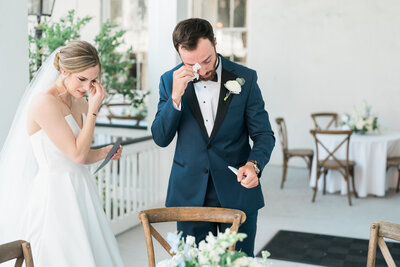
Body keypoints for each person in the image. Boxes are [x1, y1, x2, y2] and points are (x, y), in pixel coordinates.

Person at [151, 18, 275, 256]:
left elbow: (263, 134)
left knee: (239, 261)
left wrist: (253, 164)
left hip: (237, 190)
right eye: (192, 64)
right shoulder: (169, 81)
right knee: (194, 262)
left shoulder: (245, 79)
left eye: (206, 60)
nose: (203, 70)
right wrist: (175, 97)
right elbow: (160, 137)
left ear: (215, 42)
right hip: (190, 194)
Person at [0, 40, 125, 267]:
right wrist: (94, 109)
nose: (87, 88)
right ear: (63, 70)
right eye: (82, 79)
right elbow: (77, 155)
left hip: (81, 188)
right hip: (55, 194)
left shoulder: (79, 101)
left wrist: (104, 152)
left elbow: (81, 154)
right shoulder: (43, 103)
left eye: (93, 81)